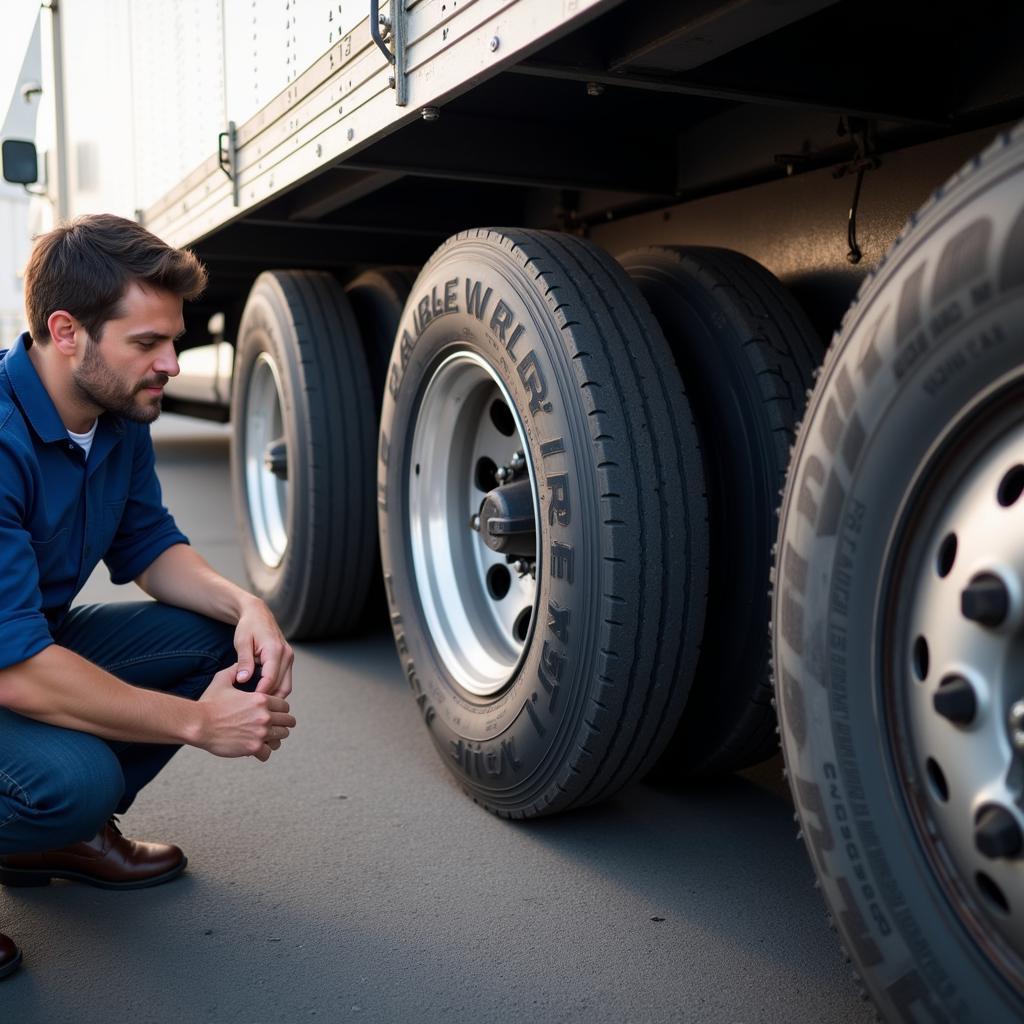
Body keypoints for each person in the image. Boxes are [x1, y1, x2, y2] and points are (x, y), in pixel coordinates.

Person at [0, 214, 296, 980]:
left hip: (23, 649)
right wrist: (198, 721)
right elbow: (19, 672)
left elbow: (149, 546)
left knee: (210, 641)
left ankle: (52, 840)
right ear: (67, 332)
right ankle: (54, 814)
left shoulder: (114, 413)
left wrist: (247, 609)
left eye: (174, 339)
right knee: (77, 780)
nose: (170, 362)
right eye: (146, 343)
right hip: (13, 662)